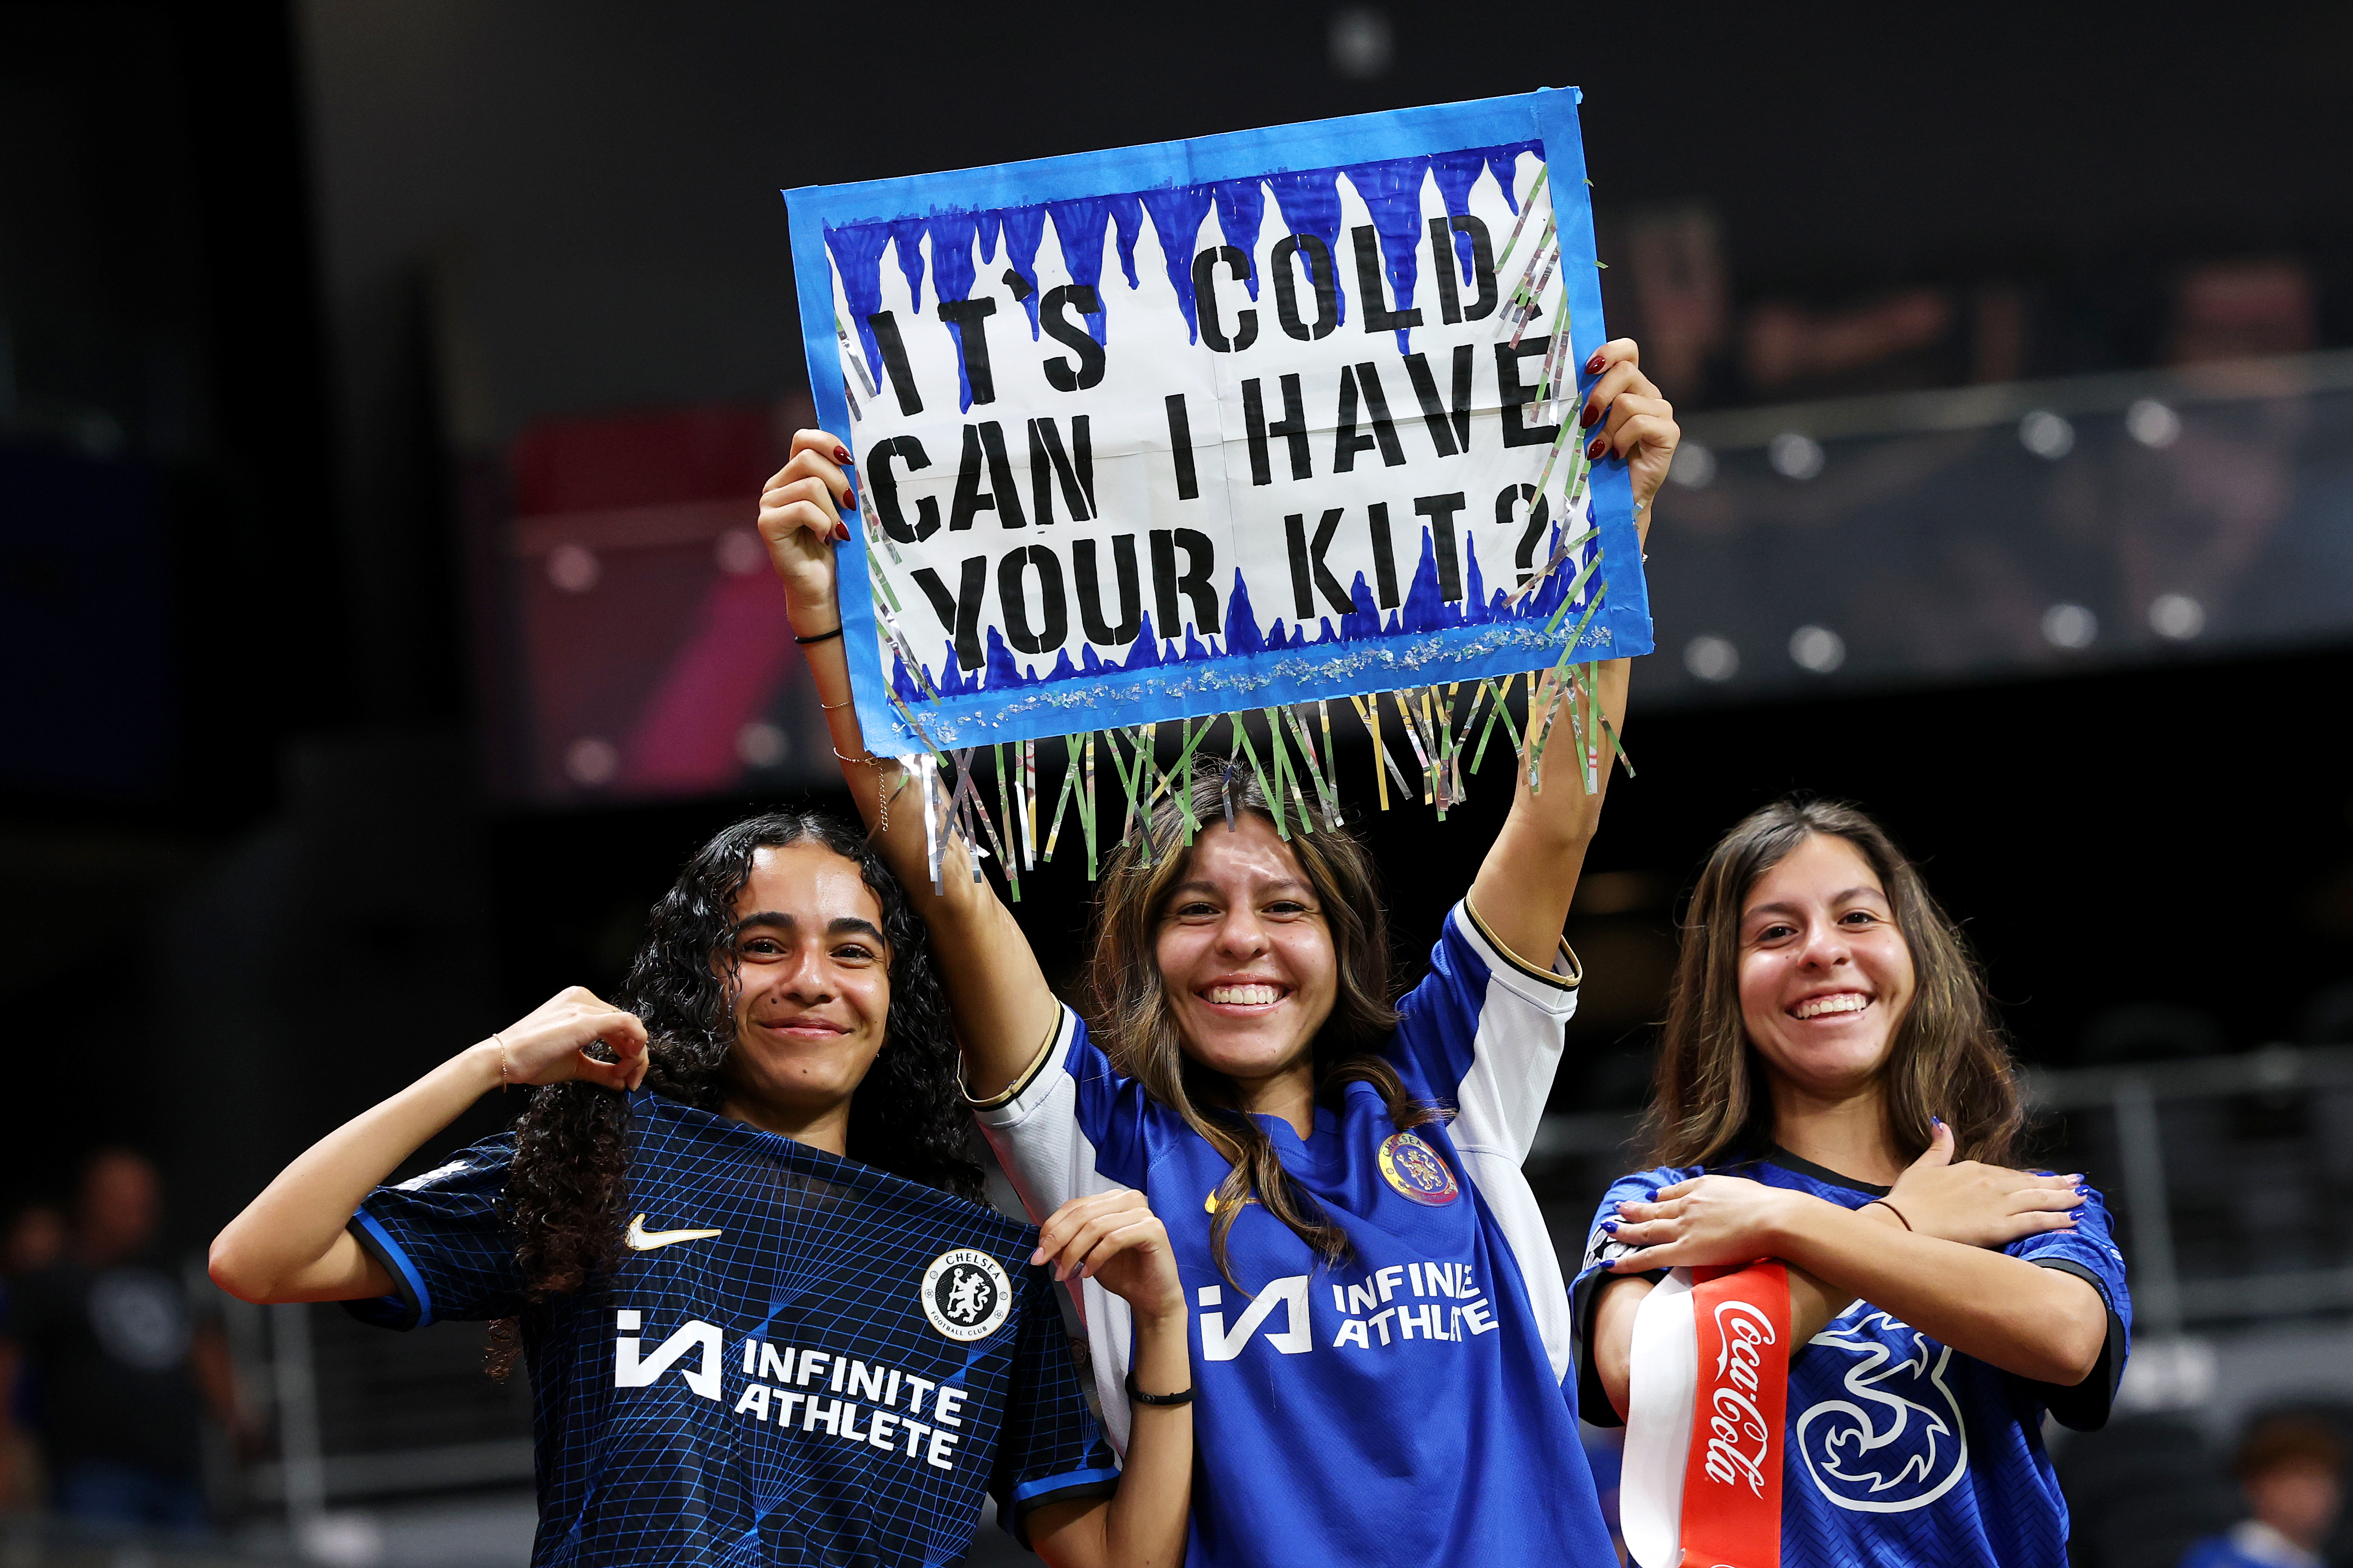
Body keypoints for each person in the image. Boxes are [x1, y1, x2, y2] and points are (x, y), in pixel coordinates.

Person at [758, 339, 1678, 1566]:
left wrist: (1617, 519)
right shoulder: (1096, 1131)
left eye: (1284, 906)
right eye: (1194, 908)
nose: (1242, 937)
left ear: (1343, 938)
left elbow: (1557, 805)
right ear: (1142, 950)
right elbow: (950, 888)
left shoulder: (1448, 1070)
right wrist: (828, 623)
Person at [209, 811, 1192, 1568]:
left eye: (854, 950)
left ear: (896, 998)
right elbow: (260, 1256)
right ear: (701, 975)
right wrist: (494, 1061)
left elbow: (1120, 1558)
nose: (812, 979)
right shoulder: (604, 1160)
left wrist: (1162, 1321)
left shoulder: (973, 1266)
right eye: (764, 945)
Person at [1575, 797, 2130, 1567]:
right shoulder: (1665, 1203)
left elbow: (2069, 1339)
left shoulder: (2010, 1201)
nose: (1821, 951)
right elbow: (1645, 1376)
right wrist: (1900, 1226)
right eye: (1775, 932)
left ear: (1915, 955)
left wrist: (1791, 1226)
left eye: (1858, 918)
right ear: (1723, 985)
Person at [0, 1153, 248, 1534]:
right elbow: (9, 1362)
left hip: (180, 1474)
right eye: (126, 1199)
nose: (141, 1210)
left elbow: (205, 1349)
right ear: (92, 1201)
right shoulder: (55, 1278)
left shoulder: (170, 1273)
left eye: (147, 1199)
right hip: (95, 1476)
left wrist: (238, 1418)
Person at [2182, 1415, 2345, 1568]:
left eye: (2323, 1481)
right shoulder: (2219, 1560)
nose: (2315, 1496)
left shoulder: (2312, 1561)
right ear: (2255, 1487)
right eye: (2299, 1482)